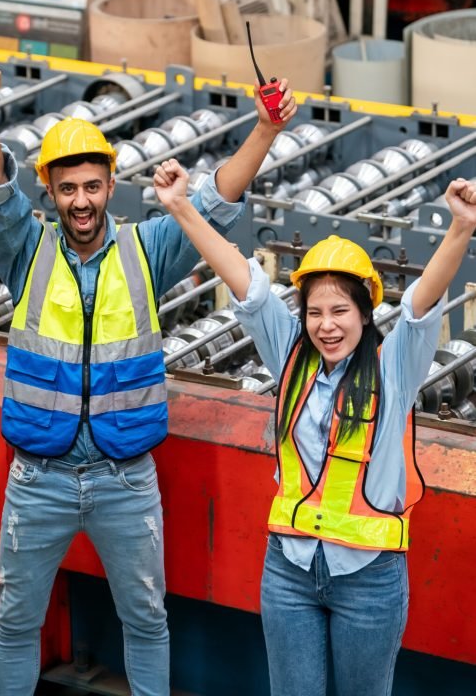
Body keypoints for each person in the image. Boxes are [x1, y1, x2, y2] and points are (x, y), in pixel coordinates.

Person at [0, 55, 297, 695]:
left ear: (110, 186)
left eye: (92, 185)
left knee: (146, 621)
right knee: (15, 621)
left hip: (125, 480)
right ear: (51, 193)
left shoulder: (149, 250)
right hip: (39, 479)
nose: (80, 200)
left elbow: (216, 201)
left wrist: (265, 130)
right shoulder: (22, 250)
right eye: (67, 188)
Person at [154, 158, 476, 696]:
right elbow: (247, 285)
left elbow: (421, 306)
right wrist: (183, 208)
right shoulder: (290, 355)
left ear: (366, 312)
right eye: (315, 312)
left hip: (369, 578)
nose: (326, 326)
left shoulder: (394, 365)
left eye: (341, 311)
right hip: (290, 570)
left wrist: (462, 227)